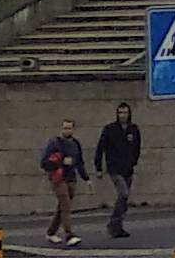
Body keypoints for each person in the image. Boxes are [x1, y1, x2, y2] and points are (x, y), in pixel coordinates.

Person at [93, 100, 144, 242]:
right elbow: (100, 148)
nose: (123, 115)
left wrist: (134, 161)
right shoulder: (110, 129)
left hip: (128, 168)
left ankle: (118, 226)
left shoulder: (133, 129)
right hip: (114, 168)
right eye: (120, 113)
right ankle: (113, 223)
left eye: (125, 113)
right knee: (123, 193)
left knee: (124, 199)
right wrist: (98, 167)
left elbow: (137, 147)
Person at [40, 121, 87, 248]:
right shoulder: (55, 143)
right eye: (64, 128)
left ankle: (51, 232)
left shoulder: (76, 144)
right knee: (65, 205)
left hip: (71, 178)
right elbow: (44, 162)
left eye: (69, 128)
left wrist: (86, 178)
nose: (67, 130)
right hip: (59, 178)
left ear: (73, 129)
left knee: (62, 206)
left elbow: (80, 163)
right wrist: (61, 162)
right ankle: (69, 234)